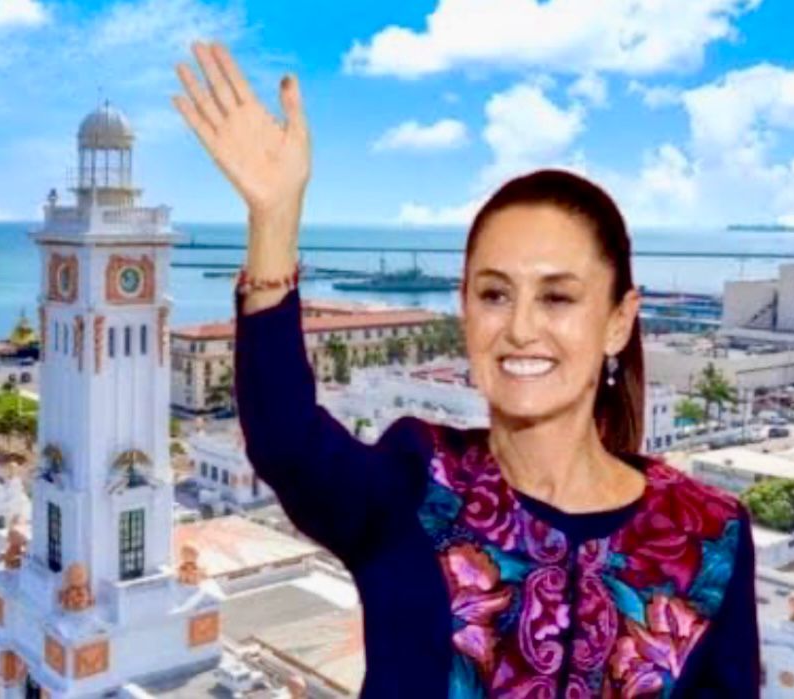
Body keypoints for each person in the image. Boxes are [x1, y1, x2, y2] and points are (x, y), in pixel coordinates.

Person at [173, 41, 759, 698]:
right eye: (495, 294)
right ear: (466, 310)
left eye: (557, 297)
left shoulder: (708, 532)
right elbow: (287, 441)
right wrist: (275, 218)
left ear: (619, 321)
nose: (520, 327)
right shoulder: (420, 481)